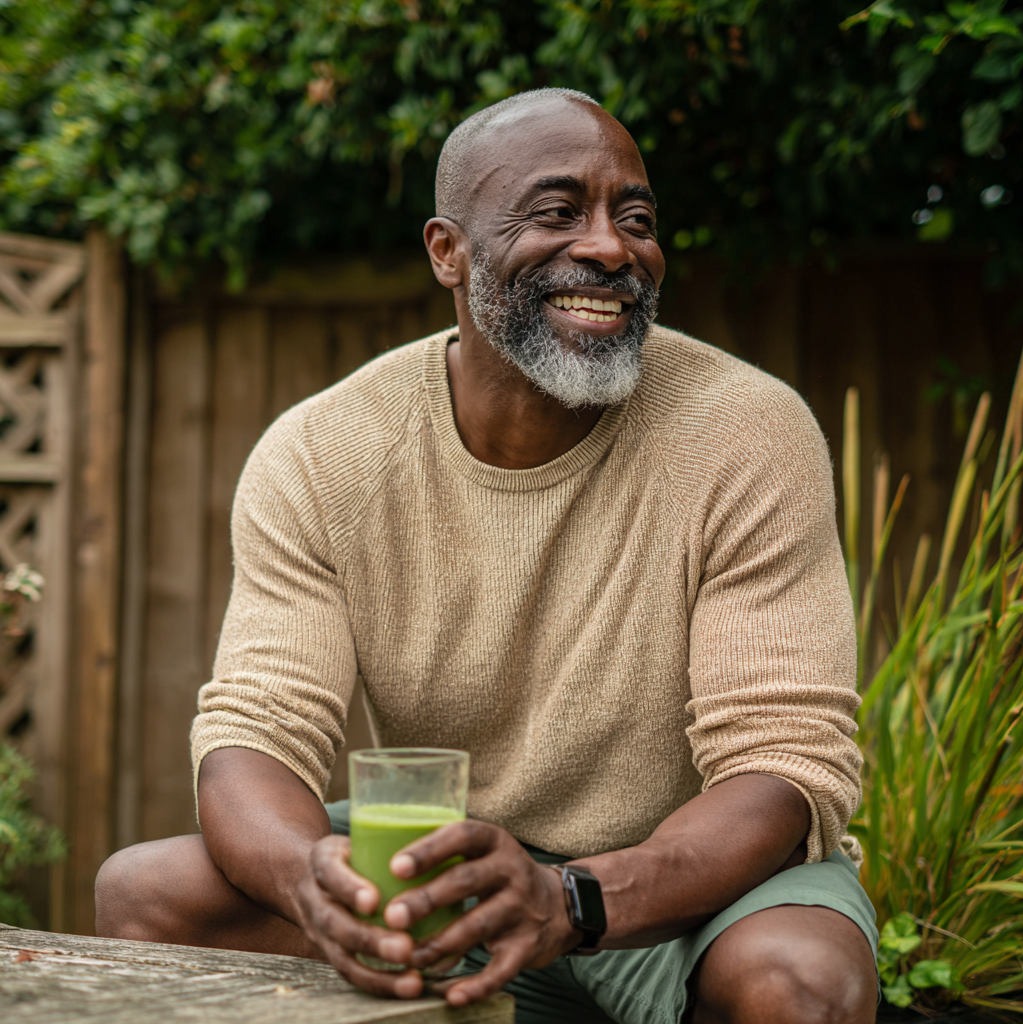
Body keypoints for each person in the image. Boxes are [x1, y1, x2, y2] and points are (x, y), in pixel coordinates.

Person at [96, 88, 878, 1024]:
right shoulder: (324, 454)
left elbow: (783, 763)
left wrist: (575, 900)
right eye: (558, 213)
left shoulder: (746, 432)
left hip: (688, 887)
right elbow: (255, 737)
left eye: (636, 218)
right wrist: (314, 883)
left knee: (796, 982)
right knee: (147, 895)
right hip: (457, 869)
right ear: (447, 252)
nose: (610, 247)